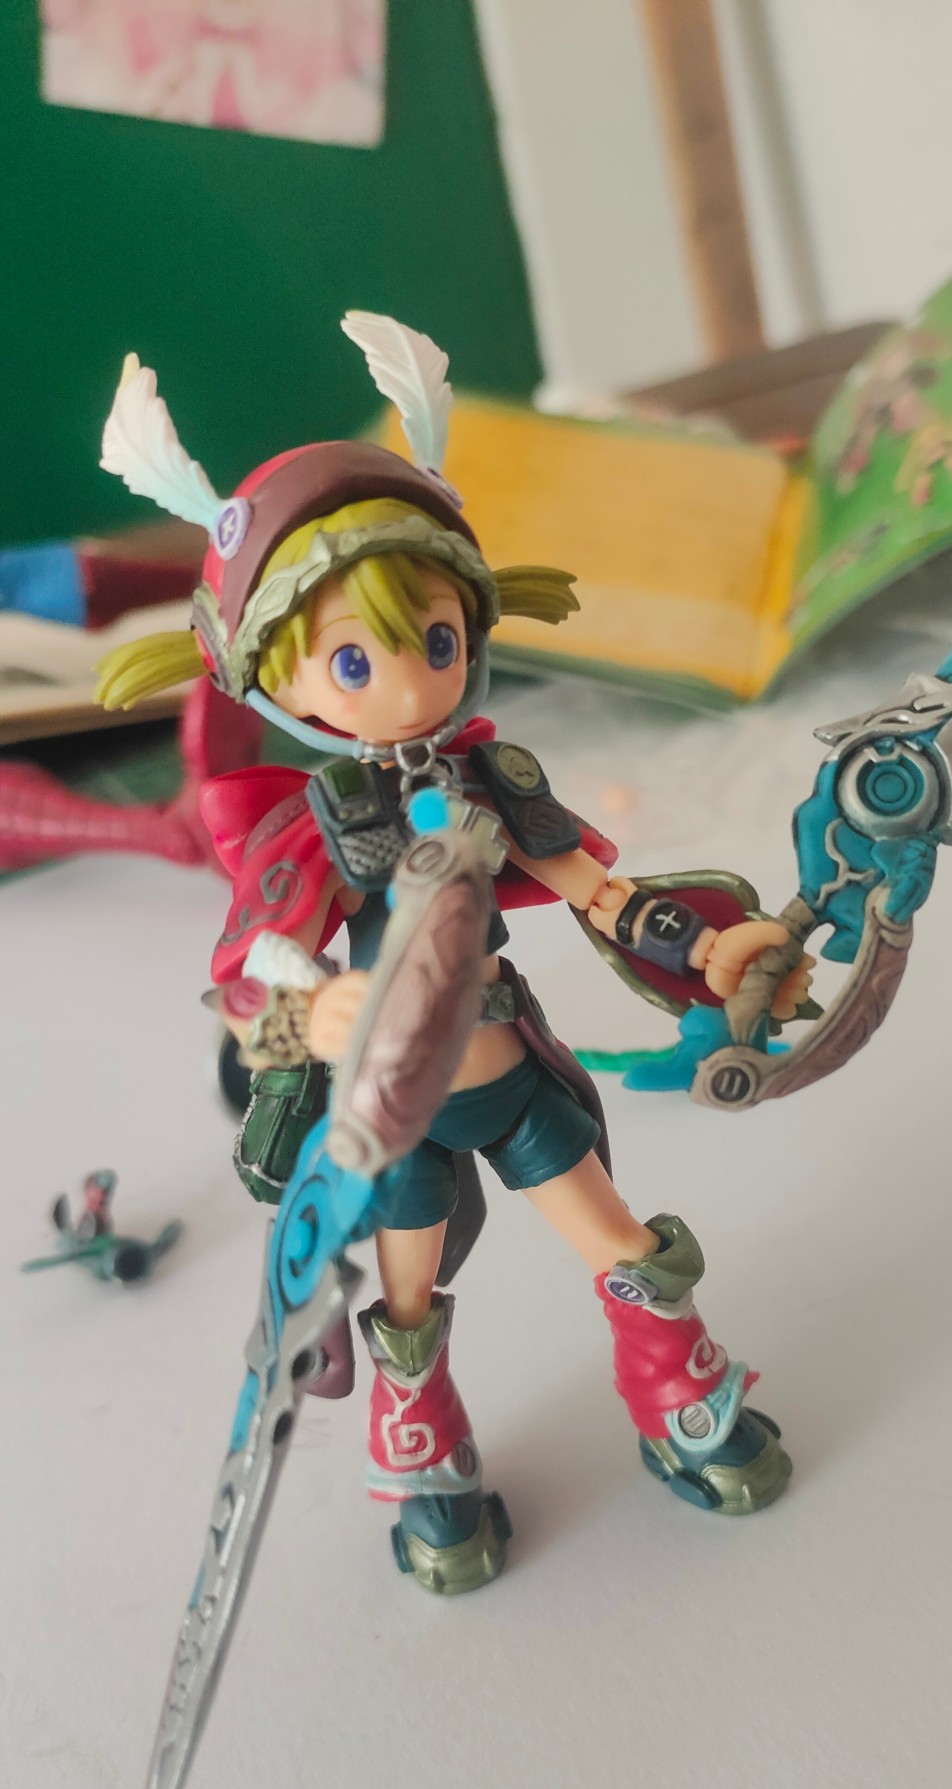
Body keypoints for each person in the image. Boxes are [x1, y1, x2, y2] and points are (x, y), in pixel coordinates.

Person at [95, 313, 813, 1596]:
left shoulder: (492, 778)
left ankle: (679, 1405)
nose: (412, 684)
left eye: (435, 641)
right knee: (409, 1303)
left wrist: (712, 949)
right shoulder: (319, 823)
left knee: (628, 1250)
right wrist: (312, 1019)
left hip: (511, 1071)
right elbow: (247, 990)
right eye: (353, 658)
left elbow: (602, 892)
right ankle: (428, 1461)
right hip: (396, 1111)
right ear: (279, 678)